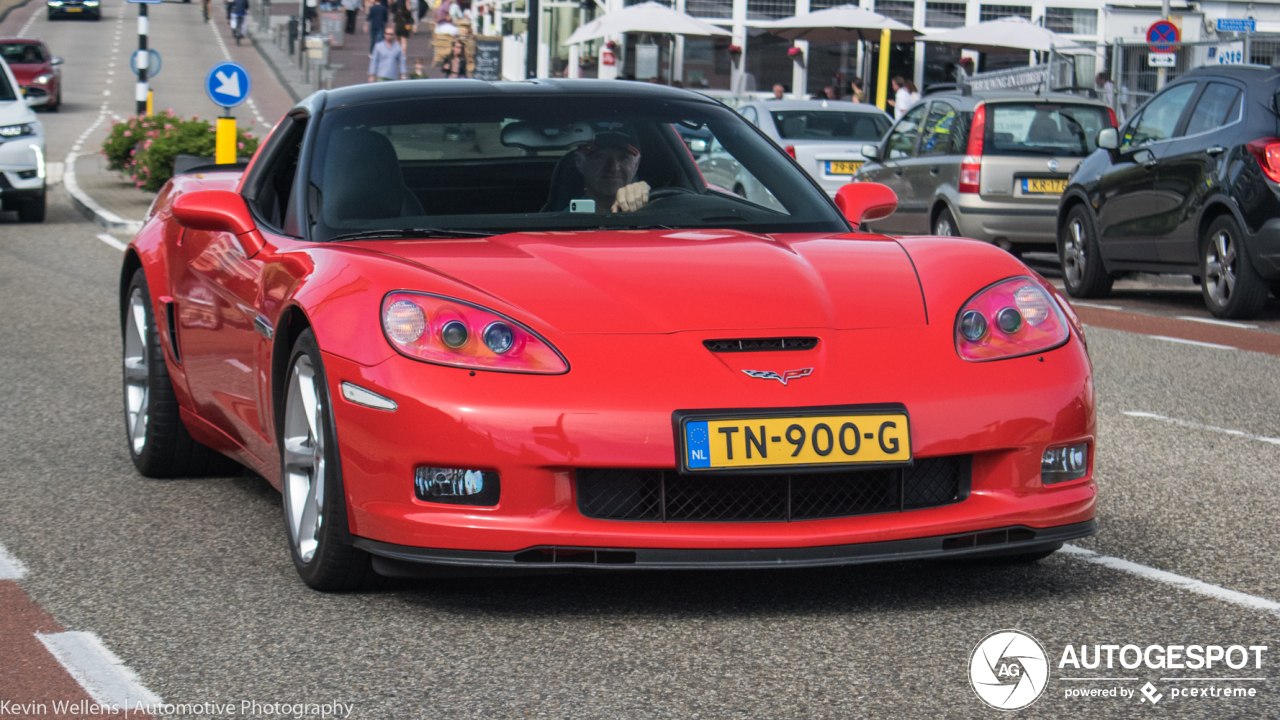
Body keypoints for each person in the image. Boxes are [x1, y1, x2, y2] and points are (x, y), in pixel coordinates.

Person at [573, 127, 649, 213]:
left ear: (636, 165)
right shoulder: (564, 221)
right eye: (600, 156)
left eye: (623, 157)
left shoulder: (653, 217)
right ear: (579, 161)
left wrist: (648, 198)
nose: (613, 167)